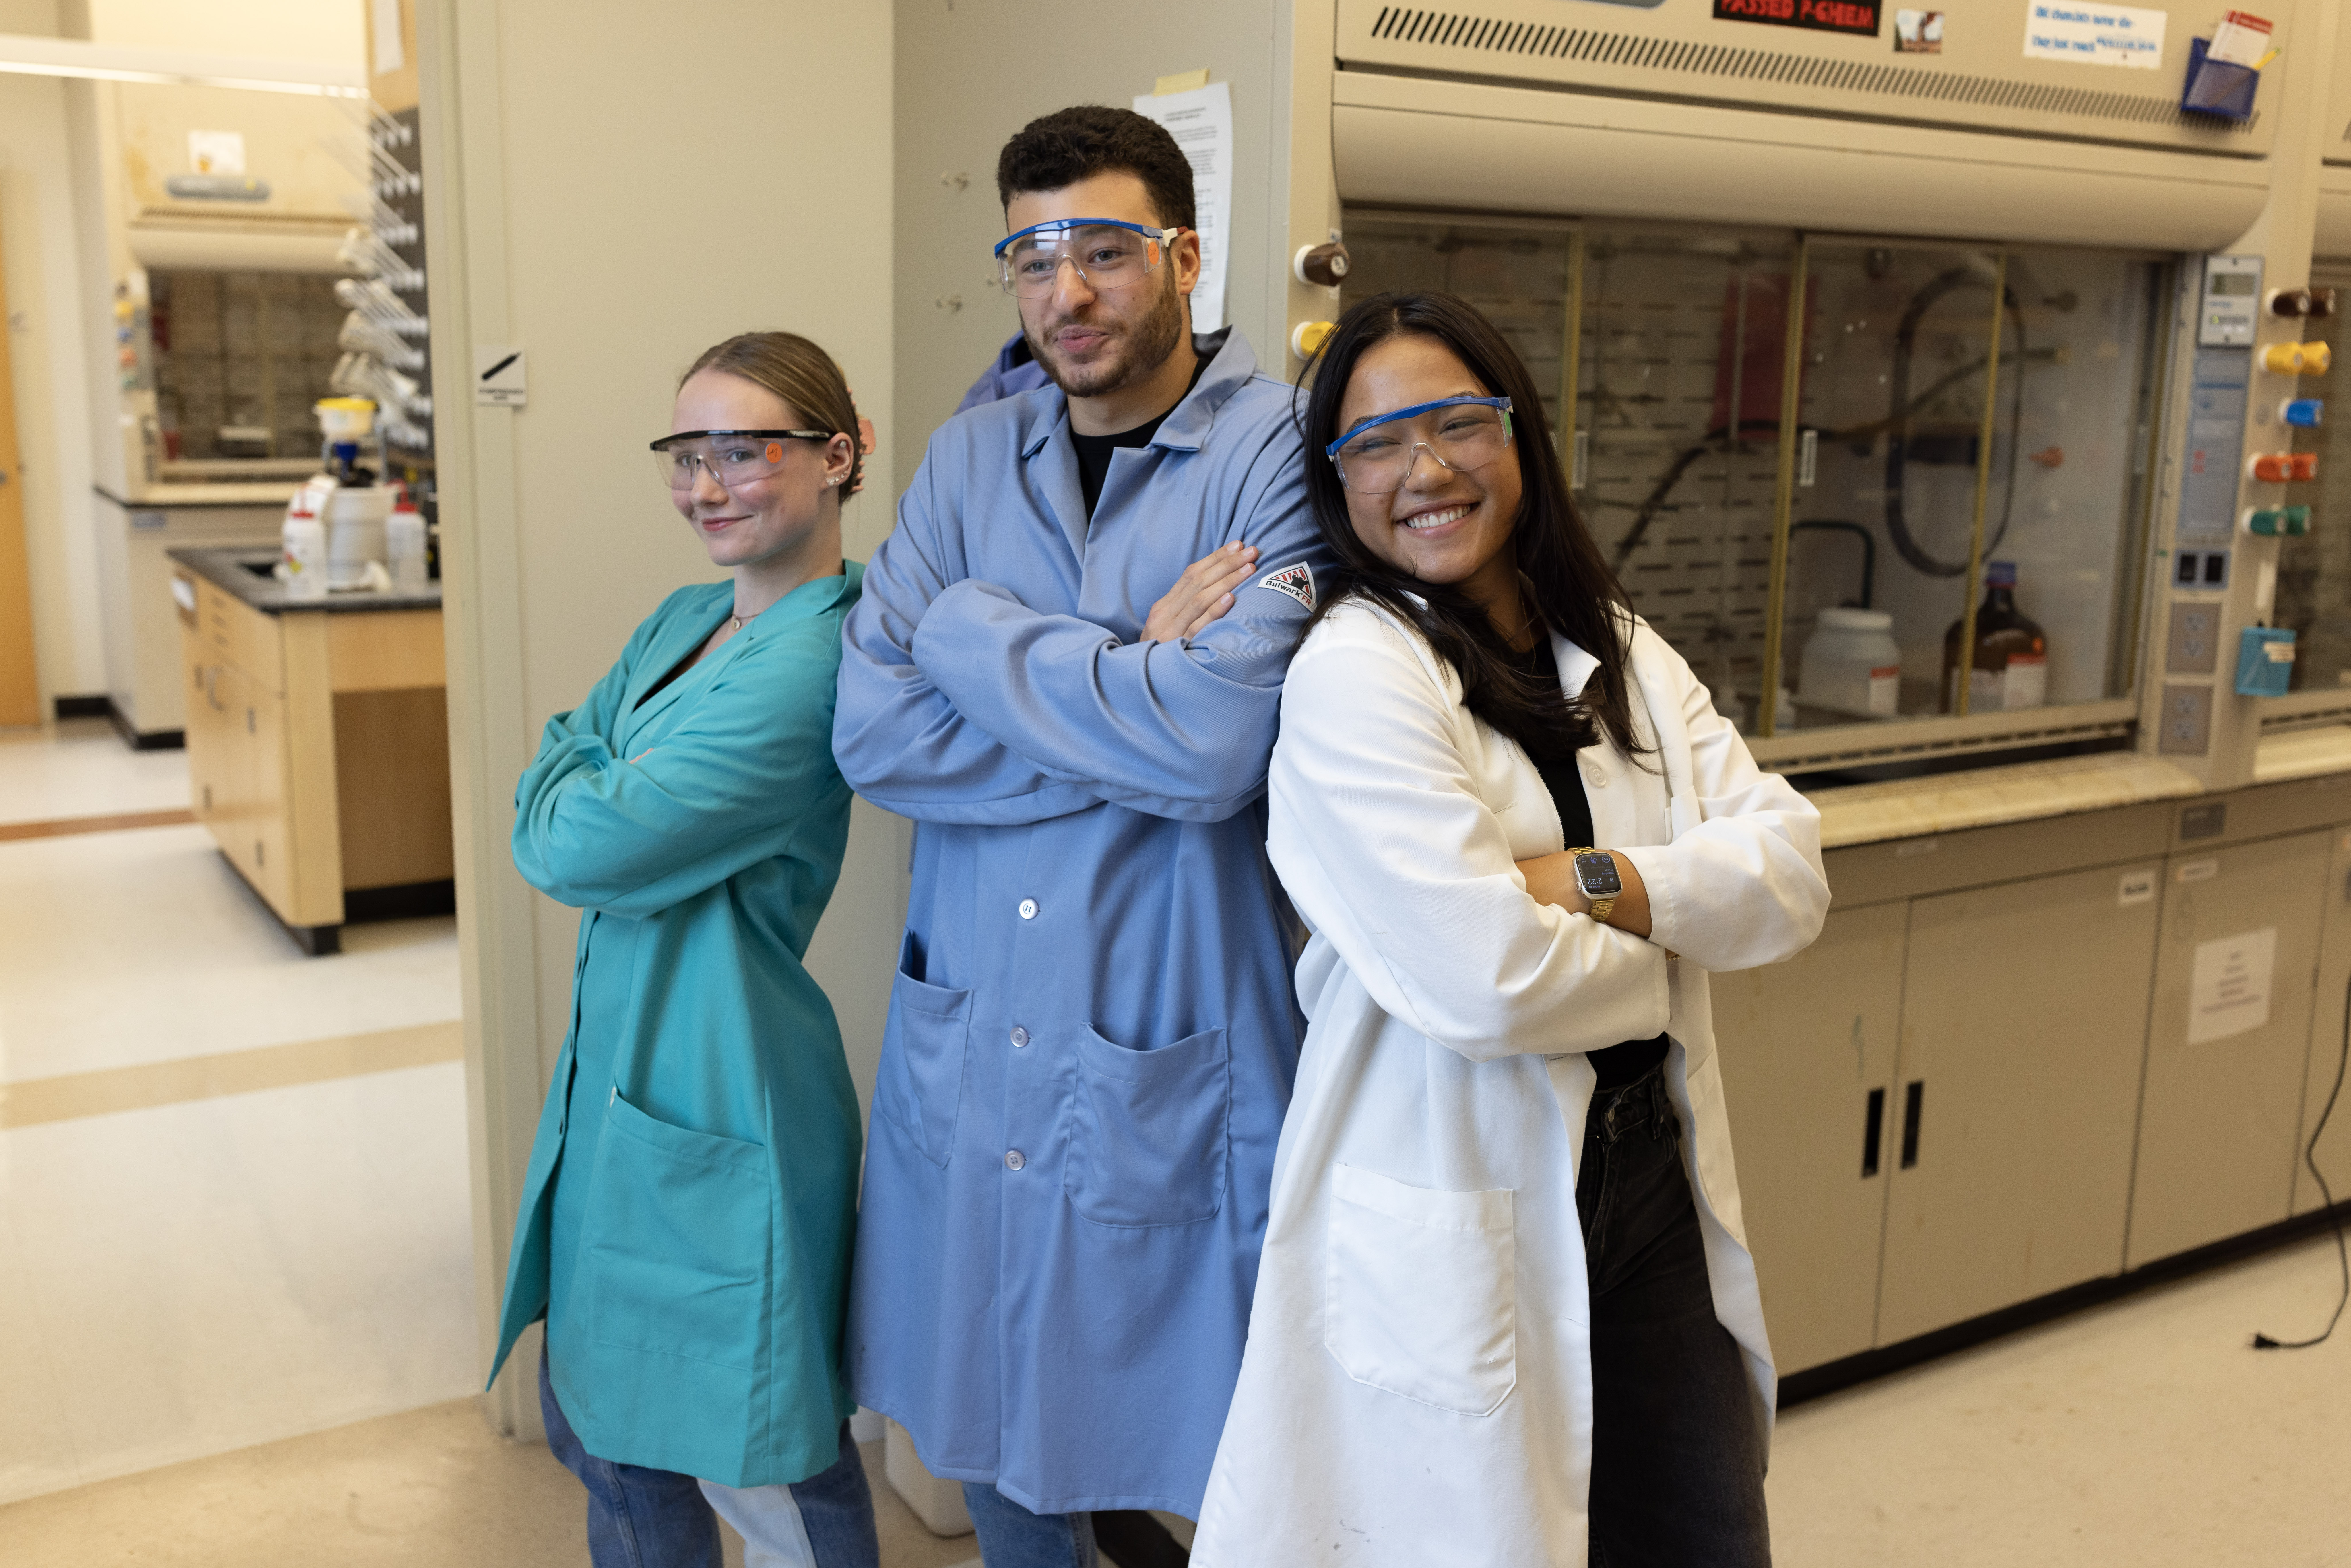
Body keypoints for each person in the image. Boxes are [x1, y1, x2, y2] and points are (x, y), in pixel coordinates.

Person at [1190, 292, 1830, 1567]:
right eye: (1375, 443)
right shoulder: (1356, 673)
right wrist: (1675, 924)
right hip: (1456, 1178)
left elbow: (1790, 876)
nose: (1424, 470)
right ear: (1338, 481)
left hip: (1650, 1169)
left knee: (1704, 1529)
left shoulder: (1620, 649)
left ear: (1517, 435)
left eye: (1456, 424)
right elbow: (1485, 979)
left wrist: (1584, 879)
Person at [833, 106, 1331, 1565]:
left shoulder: (1273, 452)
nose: (1067, 293)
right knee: (989, 1420)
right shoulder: (966, 456)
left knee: (1220, 1436)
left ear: (1184, 255)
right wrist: (1127, 661)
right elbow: (874, 735)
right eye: (1032, 259)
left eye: (1105, 252)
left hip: (1171, 1022)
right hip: (976, 1018)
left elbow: (1214, 748)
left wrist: (969, 636)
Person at [487, 332, 880, 1568]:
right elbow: (572, 761)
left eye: (743, 452)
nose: (706, 486)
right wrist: (581, 769)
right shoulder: (685, 618)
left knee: (765, 1455)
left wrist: (582, 770)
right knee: (605, 1432)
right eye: (686, 454)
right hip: (621, 1075)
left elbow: (573, 840)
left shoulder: (816, 659)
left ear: (838, 456)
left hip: (726, 1082)